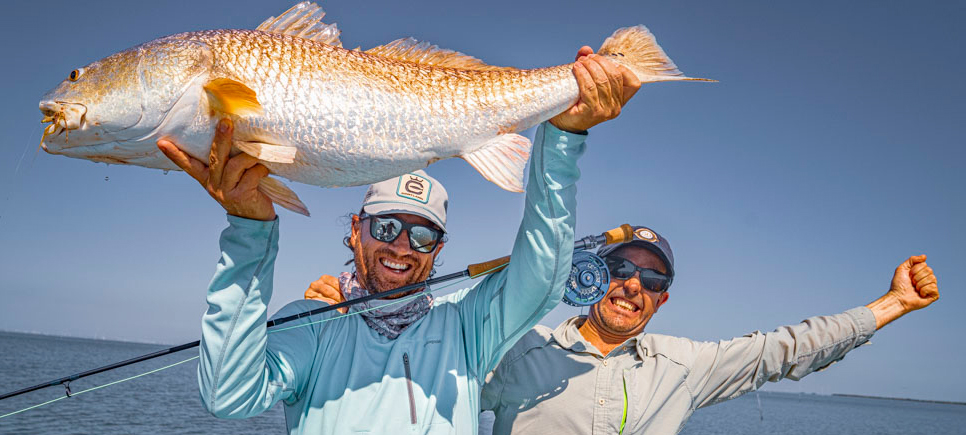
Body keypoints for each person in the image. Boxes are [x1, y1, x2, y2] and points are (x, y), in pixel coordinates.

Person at [156, 48, 641, 434]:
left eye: (424, 234)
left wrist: (561, 140)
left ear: (439, 248)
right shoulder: (310, 323)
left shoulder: (467, 328)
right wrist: (249, 231)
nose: (402, 246)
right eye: (386, 226)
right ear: (354, 230)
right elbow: (228, 396)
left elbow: (542, 276)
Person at [307, 226, 941, 435]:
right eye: (620, 269)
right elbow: (424, 349)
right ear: (587, 278)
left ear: (662, 302)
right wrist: (353, 309)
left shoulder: (685, 366)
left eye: (653, 279)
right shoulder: (516, 347)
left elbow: (787, 348)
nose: (634, 285)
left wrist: (891, 305)